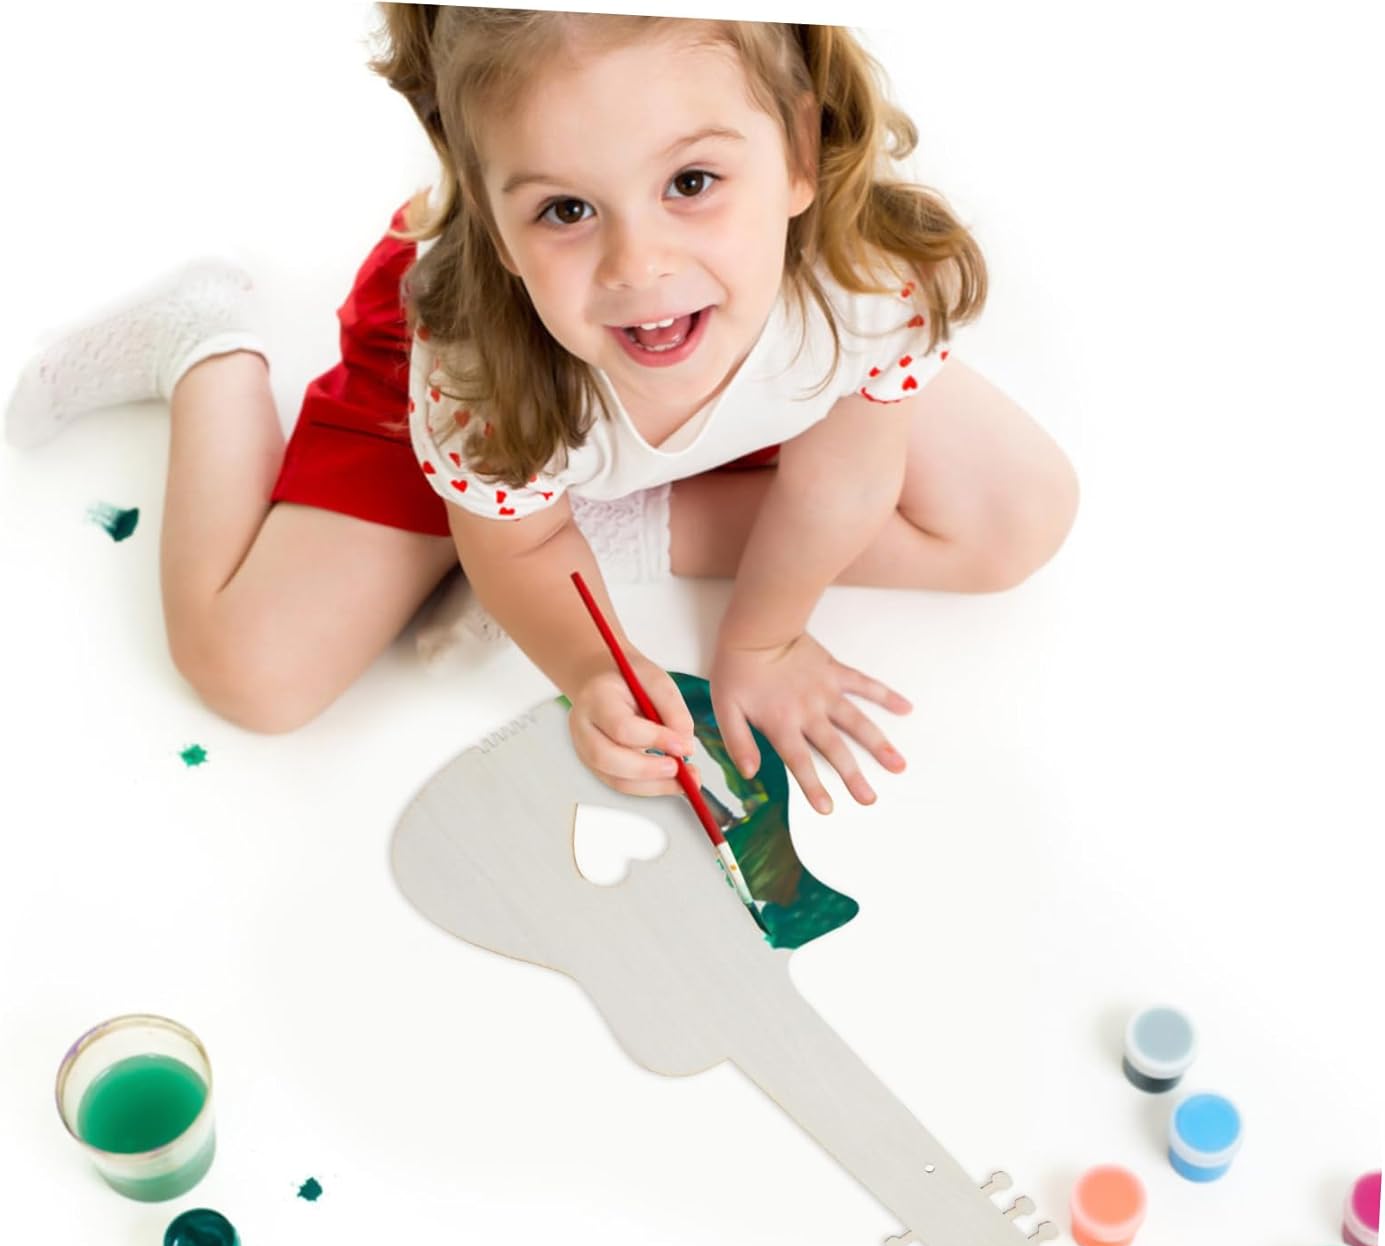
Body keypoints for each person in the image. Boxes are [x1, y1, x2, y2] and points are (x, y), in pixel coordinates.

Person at [5, 8, 1077, 817]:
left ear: (798, 153)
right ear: (489, 216)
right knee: (250, 672)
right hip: (518, 390)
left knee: (1017, 517)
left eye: (691, 182)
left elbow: (844, 478)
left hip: (707, 379)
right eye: (565, 208)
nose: (638, 267)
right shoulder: (472, 378)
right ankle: (204, 342)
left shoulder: (866, 283)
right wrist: (588, 662)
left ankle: (583, 515)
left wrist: (765, 638)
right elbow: (519, 556)